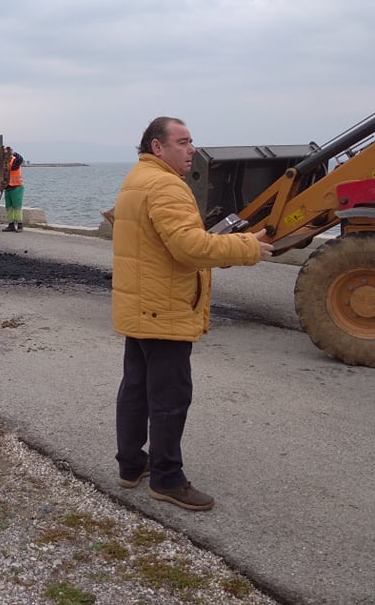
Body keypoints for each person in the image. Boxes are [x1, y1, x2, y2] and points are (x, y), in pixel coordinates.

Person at [111, 116, 274, 511]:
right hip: (163, 308)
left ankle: (131, 465)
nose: (192, 150)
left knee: (136, 388)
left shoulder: (138, 178)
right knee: (170, 397)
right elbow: (190, 248)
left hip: (141, 303)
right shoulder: (167, 185)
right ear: (157, 147)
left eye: (191, 142)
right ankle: (167, 478)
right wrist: (247, 247)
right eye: (183, 142)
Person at [3, 146, 25, 232]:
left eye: (7, 153)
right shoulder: (4, 163)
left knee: (17, 207)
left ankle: (20, 225)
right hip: (8, 188)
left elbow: (20, 158)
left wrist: (13, 152)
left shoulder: (15, 161)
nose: (6, 155)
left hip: (17, 187)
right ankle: (11, 225)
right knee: (8, 207)